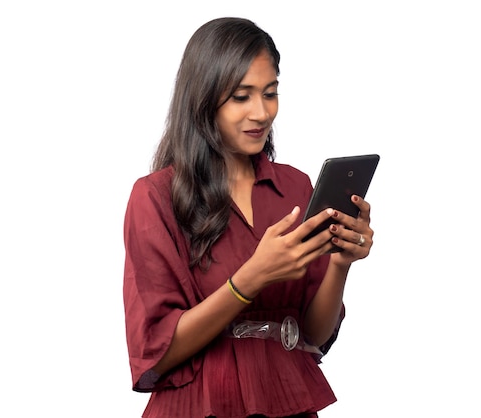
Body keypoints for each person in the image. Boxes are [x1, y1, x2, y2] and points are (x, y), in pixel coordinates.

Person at [122, 17, 375, 418]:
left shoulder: (295, 186)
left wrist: (341, 265)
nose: (261, 112)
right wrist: (251, 278)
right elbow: (157, 349)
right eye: (241, 97)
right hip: (200, 405)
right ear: (203, 99)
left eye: (270, 93)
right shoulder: (155, 197)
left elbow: (312, 334)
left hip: (288, 400)